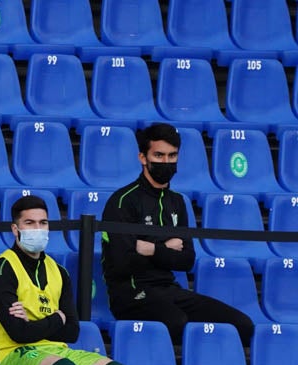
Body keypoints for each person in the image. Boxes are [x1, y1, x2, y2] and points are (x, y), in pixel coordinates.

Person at [101, 122, 254, 346]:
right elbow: (122, 263)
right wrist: (166, 248)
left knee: (241, 325)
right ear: (143, 158)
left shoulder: (178, 202)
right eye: (159, 155)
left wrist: (151, 248)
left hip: (169, 290)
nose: (166, 162)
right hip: (131, 293)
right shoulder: (123, 201)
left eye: (172, 156)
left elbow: (187, 260)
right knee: (176, 322)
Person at [0, 195, 132, 365]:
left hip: (55, 350)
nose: (38, 229)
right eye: (29, 223)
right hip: (10, 353)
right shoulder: (0, 269)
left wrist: (34, 323)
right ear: (15, 229)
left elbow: (71, 332)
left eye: (43, 223)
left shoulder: (59, 271)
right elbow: (18, 333)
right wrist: (55, 319)